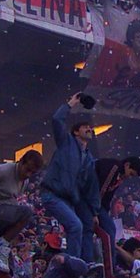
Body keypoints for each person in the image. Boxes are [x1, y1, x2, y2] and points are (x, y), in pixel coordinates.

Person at [40, 94, 99, 263]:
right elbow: (57, 120)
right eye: (85, 127)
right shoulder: (66, 142)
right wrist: (71, 103)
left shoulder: (89, 159)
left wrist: (94, 212)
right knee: (76, 226)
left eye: (90, 127)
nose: (89, 129)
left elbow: (90, 187)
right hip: (52, 194)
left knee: (82, 229)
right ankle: (73, 265)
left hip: (68, 200)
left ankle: (74, 265)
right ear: (75, 132)